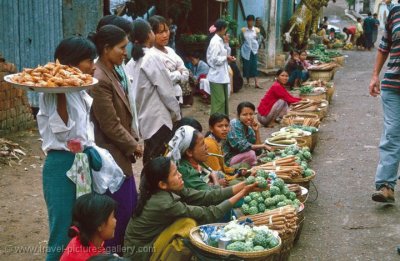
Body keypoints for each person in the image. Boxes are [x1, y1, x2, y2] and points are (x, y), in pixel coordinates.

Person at [123, 156, 261, 260]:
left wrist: (244, 185)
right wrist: (243, 193)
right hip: (139, 255)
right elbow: (209, 214)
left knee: (190, 221)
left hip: (149, 243)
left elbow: (206, 196)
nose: (180, 175)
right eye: (175, 174)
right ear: (162, 184)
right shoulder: (163, 202)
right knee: (188, 225)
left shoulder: (168, 189)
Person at [37, 36, 97, 261]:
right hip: (61, 165)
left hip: (80, 162)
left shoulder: (80, 90)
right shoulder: (53, 92)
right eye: (88, 60)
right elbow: (62, 132)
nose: (92, 66)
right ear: (69, 63)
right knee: (62, 228)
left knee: (80, 226)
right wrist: (60, 89)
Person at [89, 25, 142, 254]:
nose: (125, 52)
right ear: (106, 48)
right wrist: (133, 144)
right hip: (111, 157)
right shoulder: (100, 78)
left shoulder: (111, 71)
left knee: (126, 213)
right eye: (121, 48)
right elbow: (110, 124)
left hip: (119, 154)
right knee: (116, 218)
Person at [130, 19, 181, 164]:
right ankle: (149, 186)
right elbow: (166, 90)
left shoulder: (137, 58)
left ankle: (147, 185)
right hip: (158, 118)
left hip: (145, 117)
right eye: (153, 31)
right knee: (158, 160)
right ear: (148, 35)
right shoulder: (151, 57)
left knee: (151, 155)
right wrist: (176, 113)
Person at [369, 5, 400, 203]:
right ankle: (386, 185)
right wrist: (374, 76)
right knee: (392, 134)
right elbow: (384, 46)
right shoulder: (395, 12)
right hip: (393, 85)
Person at [60, 193, 117, 261]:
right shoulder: (84, 257)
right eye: (113, 216)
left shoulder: (83, 241)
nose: (115, 220)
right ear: (100, 225)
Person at [149, 15, 189, 106]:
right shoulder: (152, 54)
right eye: (160, 32)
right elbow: (164, 79)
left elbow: (185, 73)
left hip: (177, 95)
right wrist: (178, 73)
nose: (165, 35)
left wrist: (173, 75)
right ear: (151, 34)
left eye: (166, 31)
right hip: (162, 101)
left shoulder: (170, 50)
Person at [224, 102, 271, 167]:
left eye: (251, 114)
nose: (249, 117)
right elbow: (242, 146)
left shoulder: (249, 128)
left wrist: (256, 131)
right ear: (238, 115)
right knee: (251, 154)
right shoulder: (234, 125)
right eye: (245, 115)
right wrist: (263, 146)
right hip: (229, 160)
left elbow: (258, 151)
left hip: (241, 157)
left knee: (253, 154)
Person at [205, 113, 246, 185]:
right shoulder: (210, 144)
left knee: (244, 166)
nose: (224, 129)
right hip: (214, 180)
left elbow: (223, 167)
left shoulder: (217, 141)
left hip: (220, 173)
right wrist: (236, 176)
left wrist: (236, 171)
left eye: (226, 126)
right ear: (211, 128)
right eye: (220, 126)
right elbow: (218, 173)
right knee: (243, 184)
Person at [207, 19, 236, 115]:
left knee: (224, 101)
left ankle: (223, 122)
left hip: (222, 75)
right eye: (225, 29)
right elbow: (214, 59)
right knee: (219, 102)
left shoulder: (220, 40)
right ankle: (215, 123)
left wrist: (227, 43)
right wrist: (226, 58)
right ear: (222, 29)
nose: (226, 31)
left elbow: (225, 54)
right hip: (216, 76)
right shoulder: (215, 41)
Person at [240, 15, 261, 89]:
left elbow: (259, 39)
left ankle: (256, 83)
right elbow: (241, 40)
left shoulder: (256, 30)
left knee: (254, 66)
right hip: (246, 50)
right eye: (249, 21)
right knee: (246, 66)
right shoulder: (243, 30)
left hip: (254, 51)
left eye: (252, 21)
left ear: (253, 21)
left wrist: (258, 47)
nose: (250, 22)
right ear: (247, 21)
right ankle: (247, 82)